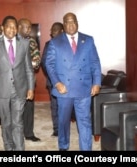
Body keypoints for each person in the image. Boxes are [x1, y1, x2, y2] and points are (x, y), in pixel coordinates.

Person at [44, 12, 101, 151]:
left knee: (85, 122)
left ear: (77, 23)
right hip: (64, 89)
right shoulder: (55, 42)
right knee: (63, 122)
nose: (71, 25)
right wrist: (57, 83)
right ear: (64, 25)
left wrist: (97, 82)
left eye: (73, 21)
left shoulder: (88, 40)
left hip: (83, 88)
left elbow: (95, 62)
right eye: (67, 22)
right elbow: (49, 64)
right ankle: (63, 146)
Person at [0, 15, 35, 151]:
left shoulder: (24, 44)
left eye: (14, 27)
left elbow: (29, 69)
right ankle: (9, 148)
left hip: (20, 89)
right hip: (1, 90)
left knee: (17, 123)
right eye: (9, 27)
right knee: (6, 123)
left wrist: (31, 88)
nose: (12, 30)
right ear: (3, 28)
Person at [17, 18, 41, 142]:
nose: (29, 30)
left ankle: (29, 133)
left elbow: (36, 61)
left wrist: (27, 64)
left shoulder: (31, 42)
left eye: (30, 27)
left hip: (28, 81)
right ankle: (15, 134)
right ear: (19, 27)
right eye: (26, 27)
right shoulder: (11, 41)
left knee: (28, 108)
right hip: (13, 82)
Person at [41, 22, 64, 137]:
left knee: (66, 106)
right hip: (53, 82)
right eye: (52, 30)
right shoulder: (48, 44)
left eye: (55, 30)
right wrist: (54, 78)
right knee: (55, 106)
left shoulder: (68, 44)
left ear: (61, 31)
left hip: (68, 82)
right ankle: (57, 129)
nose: (52, 32)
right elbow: (44, 63)